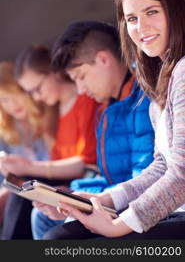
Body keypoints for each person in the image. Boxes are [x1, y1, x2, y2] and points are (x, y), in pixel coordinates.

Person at [40, 0, 185, 240]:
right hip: (171, 212)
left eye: (151, 12)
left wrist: (119, 225)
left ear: (175, 10)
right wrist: (105, 200)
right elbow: (161, 166)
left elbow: (181, 175)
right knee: (61, 235)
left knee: (59, 240)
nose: (141, 28)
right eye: (131, 19)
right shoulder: (161, 80)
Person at [31, 20, 154, 239]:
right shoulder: (106, 110)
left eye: (81, 77)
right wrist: (70, 195)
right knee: (40, 216)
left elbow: (143, 181)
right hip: (118, 198)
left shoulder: (144, 100)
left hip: (141, 209)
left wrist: (84, 201)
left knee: (56, 237)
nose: (80, 89)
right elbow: (112, 177)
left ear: (103, 59)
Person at [0, 45, 99, 182]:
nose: (36, 97)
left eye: (38, 89)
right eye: (30, 92)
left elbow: (88, 162)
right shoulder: (52, 112)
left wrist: (29, 167)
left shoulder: (86, 100)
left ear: (54, 72)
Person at [0, 60, 50, 238]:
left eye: (15, 94)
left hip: (43, 188)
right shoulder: (6, 133)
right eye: (4, 99)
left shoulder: (48, 117)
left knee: (21, 189)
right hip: (14, 197)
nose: (12, 104)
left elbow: (52, 164)